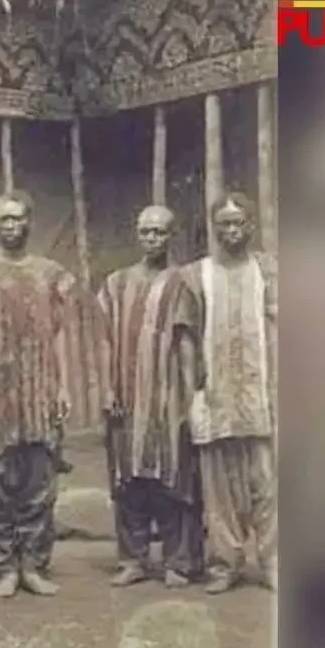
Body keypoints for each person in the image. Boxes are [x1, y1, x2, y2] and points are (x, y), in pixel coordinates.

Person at [0, 191, 96, 599]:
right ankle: (2, 567)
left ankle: (34, 565)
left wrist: (63, 384)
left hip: (39, 388)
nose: (10, 226)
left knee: (39, 482)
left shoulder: (51, 275)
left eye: (17, 218)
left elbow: (64, 333)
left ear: (29, 222)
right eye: (3, 219)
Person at [97, 205, 204, 588]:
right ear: (137, 233)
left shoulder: (182, 283)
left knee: (173, 478)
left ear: (171, 236)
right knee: (127, 480)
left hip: (167, 397)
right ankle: (133, 559)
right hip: (126, 398)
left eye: (159, 232)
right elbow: (105, 340)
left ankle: (178, 561)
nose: (152, 239)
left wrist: (191, 397)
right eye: (146, 231)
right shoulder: (115, 284)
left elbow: (186, 341)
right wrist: (107, 387)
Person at [177, 192, 278, 594]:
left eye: (239, 223)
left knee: (269, 483)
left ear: (251, 226)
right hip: (215, 396)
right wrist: (191, 394)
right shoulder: (195, 275)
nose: (232, 231)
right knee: (218, 489)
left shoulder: (269, 270)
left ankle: (273, 561)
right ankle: (225, 564)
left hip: (263, 395)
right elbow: (186, 337)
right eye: (225, 224)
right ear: (214, 228)